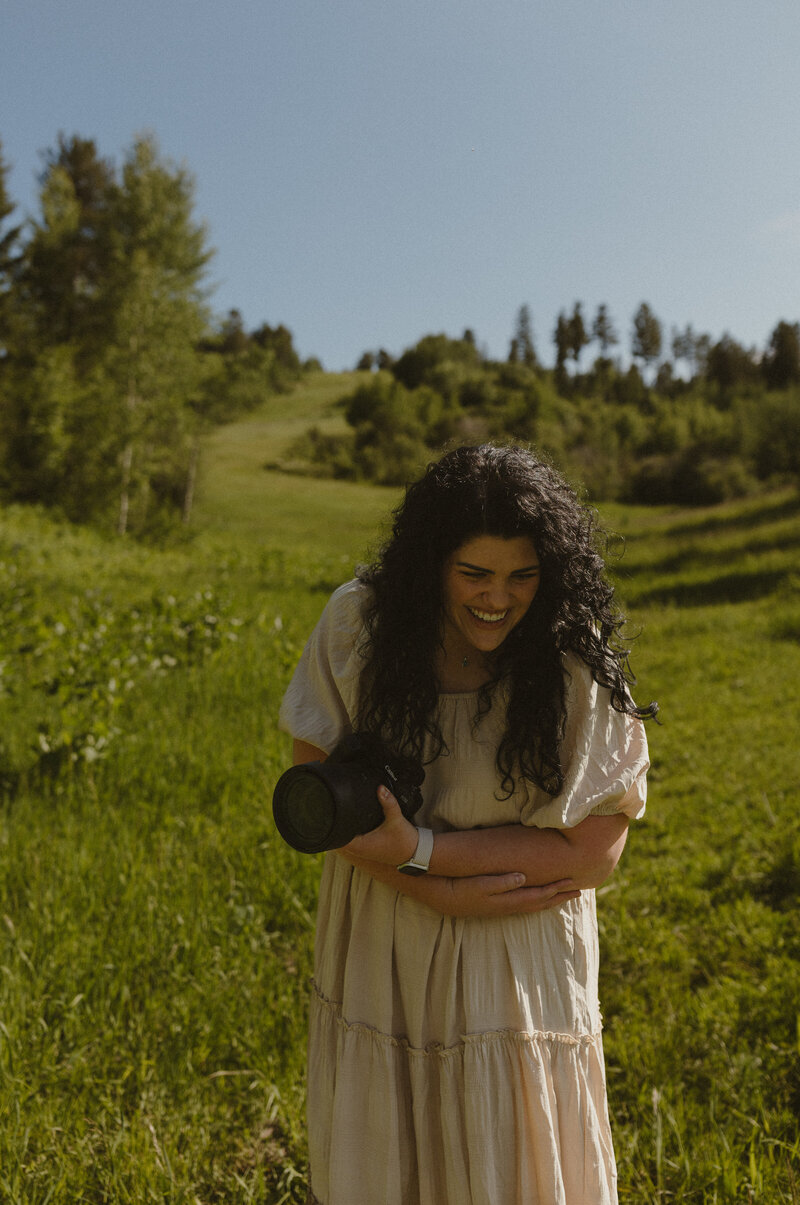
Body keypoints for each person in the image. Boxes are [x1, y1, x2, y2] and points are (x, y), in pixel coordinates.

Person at [278, 444, 656, 1205]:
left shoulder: (570, 649)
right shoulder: (361, 623)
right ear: (429, 564)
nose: (498, 599)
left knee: (511, 1169)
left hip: (514, 961)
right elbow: (311, 793)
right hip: (385, 934)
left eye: (522, 575)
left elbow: (594, 849)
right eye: (474, 574)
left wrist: (422, 852)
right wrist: (423, 883)